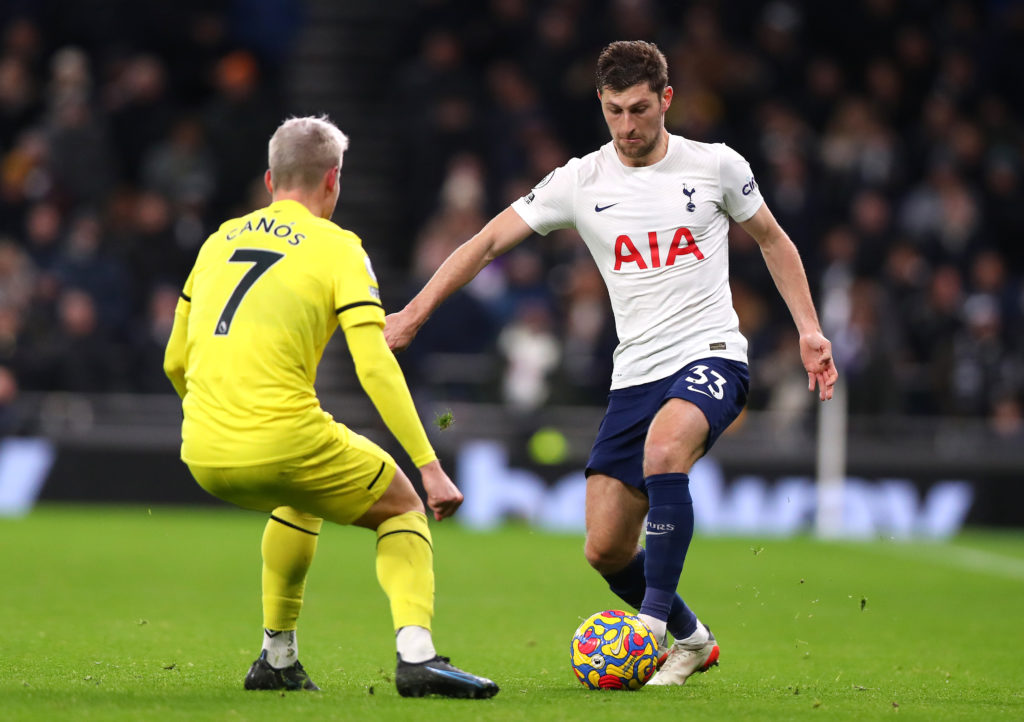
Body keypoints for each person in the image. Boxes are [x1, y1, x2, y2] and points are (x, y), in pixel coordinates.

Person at [385, 41, 838, 686]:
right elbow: (486, 241)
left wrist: (809, 330)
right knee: (604, 547)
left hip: (711, 354)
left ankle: (649, 630)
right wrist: (413, 313)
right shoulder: (579, 180)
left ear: (667, 100)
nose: (627, 126)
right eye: (614, 111)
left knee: (664, 450)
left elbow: (772, 238)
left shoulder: (714, 166)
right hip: (634, 375)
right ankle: (692, 639)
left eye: (640, 109)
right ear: (601, 106)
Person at [163, 116, 498, 699]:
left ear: (270, 179)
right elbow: (373, 365)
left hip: (202, 448)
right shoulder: (340, 247)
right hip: (283, 437)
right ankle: (417, 655)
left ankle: (276, 657)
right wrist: (428, 464)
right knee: (400, 506)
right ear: (333, 182)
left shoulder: (218, 240)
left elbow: (174, 361)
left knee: (304, 495)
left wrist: (214, 418)